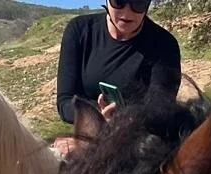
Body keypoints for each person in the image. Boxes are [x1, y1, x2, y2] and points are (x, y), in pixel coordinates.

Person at [51, 1, 181, 155]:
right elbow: (65, 102)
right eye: (119, 1)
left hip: (138, 143)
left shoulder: (164, 45)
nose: (127, 11)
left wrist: (116, 122)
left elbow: (160, 111)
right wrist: (96, 118)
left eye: (138, 3)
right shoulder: (79, 30)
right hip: (87, 133)